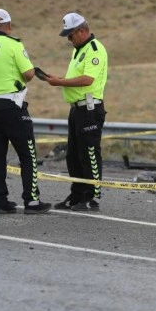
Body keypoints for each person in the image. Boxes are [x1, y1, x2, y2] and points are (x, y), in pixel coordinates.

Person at [0, 8, 51, 214]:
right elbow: (29, 74)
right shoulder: (14, 45)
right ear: (8, 26)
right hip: (12, 106)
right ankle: (31, 201)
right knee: (27, 153)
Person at [42, 13, 108, 211]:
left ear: (81, 31)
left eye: (70, 36)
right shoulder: (78, 50)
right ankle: (77, 193)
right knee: (73, 155)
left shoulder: (94, 50)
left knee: (89, 153)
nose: (69, 40)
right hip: (76, 109)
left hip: (89, 109)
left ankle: (91, 196)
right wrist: (60, 78)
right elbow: (76, 78)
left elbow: (88, 79)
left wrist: (60, 82)